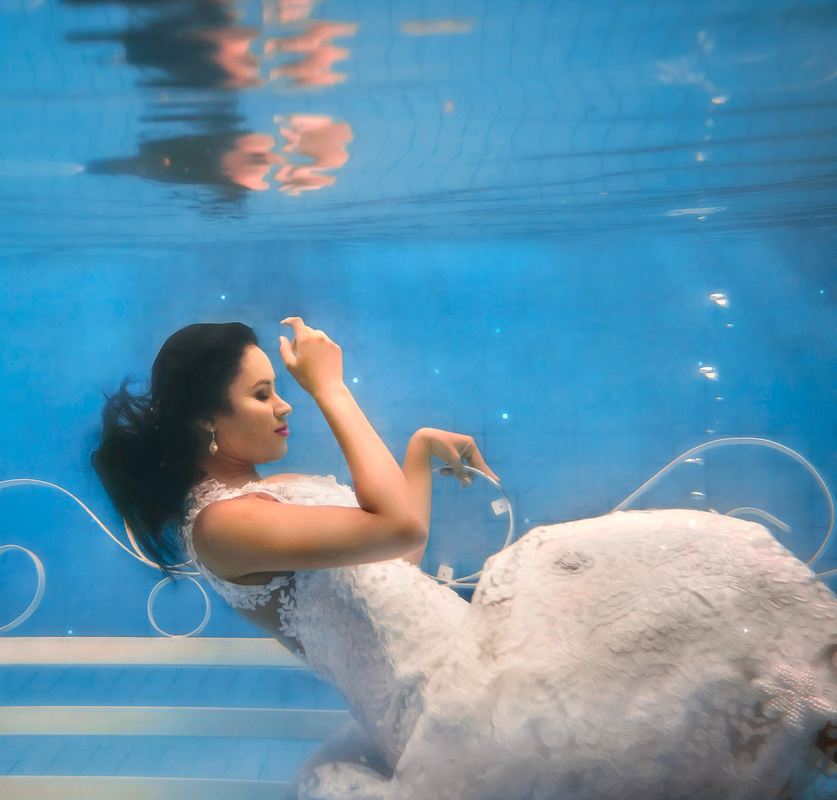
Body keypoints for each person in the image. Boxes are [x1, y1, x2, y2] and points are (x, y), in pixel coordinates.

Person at [92, 318, 837, 799]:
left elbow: (393, 555)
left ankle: (809, 711)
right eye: (263, 394)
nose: (285, 405)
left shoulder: (262, 497)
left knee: (673, 621)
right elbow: (396, 529)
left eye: (282, 390)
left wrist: (417, 451)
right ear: (208, 422)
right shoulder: (225, 527)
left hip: (476, 663)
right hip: (451, 712)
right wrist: (331, 387)